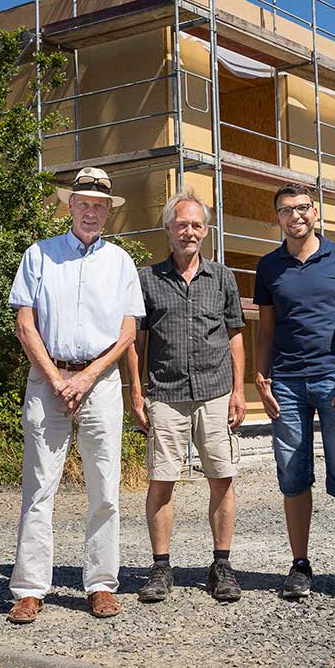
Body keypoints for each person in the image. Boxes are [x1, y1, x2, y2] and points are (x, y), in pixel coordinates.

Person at [6, 167, 145, 624]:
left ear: (108, 212)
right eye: (83, 203)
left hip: (100, 383)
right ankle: (29, 588)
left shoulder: (121, 263)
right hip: (47, 382)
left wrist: (85, 378)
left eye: (99, 205)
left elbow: (128, 331)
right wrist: (55, 377)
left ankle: (101, 584)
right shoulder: (38, 256)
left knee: (105, 488)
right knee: (39, 487)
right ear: (70, 206)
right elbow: (25, 324)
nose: (91, 211)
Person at [253, 183, 335, 599]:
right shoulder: (268, 267)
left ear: (316, 212)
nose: (296, 216)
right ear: (278, 218)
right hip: (286, 382)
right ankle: (300, 565)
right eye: (287, 210)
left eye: (303, 208)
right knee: (292, 475)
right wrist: (261, 376)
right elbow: (265, 328)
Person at [125, 190, 247, 604]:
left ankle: (221, 566)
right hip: (165, 393)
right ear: (168, 230)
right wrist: (136, 391)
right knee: (161, 480)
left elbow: (234, 336)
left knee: (222, 478)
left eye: (196, 225)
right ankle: (160, 567)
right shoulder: (146, 279)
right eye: (181, 225)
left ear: (206, 231)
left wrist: (237, 391)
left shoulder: (223, 277)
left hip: (215, 392)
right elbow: (134, 342)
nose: (189, 231)